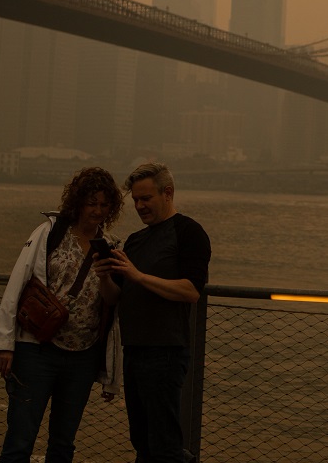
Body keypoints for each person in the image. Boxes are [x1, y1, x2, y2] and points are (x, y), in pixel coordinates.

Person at [0, 166, 125, 463]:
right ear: (78, 202)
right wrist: (4, 343)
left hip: (82, 357)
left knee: (63, 443)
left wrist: (105, 277)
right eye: (92, 203)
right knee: (20, 439)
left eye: (104, 204)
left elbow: (113, 302)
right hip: (36, 350)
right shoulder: (50, 232)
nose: (98, 211)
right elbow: (18, 282)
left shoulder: (112, 246)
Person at [99, 162, 210, 463]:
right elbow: (115, 299)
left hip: (166, 351)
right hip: (133, 350)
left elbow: (191, 291)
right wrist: (104, 276)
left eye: (146, 198)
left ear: (168, 193)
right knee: (142, 441)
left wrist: (137, 276)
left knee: (164, 444)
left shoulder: (189, 232)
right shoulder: (135, 241)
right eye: (135, 199)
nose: (139, 206)